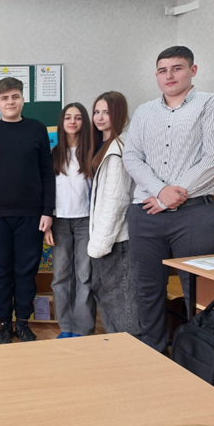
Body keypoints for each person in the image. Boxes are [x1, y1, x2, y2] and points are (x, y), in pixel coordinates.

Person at [123, 46, 214, 354]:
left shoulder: (211, 103)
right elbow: (131, 157)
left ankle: (202, 359)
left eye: (177, 68)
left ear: (192, 70)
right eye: (163, 70)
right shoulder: (144, 111)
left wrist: (175, 193)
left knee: (199, 291)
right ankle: (153, 354)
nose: (169, 75)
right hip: (147, 213)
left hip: (194, 214)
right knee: (147, 290)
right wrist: (160, 191)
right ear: (156, 75)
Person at [0, 77, 55, 344]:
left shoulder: (37, 129)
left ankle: (22, 322)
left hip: (31, 215)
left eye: (15, 97)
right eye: (4, 98)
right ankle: (3, 323)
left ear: (23, 99)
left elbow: (47, 173)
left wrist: (47, 211)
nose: (10, 102)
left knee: (26, 272)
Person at [87, 91, 139, 336]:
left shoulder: (118, 149)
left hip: (116, 240)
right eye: (96, 112)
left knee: (122, 300)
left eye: (106, 112)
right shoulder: (102, 145)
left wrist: (99, 244)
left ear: (118, 114)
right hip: (106, 237)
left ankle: (131, 349)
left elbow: (116, 201)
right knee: (106, 296)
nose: (99, 117)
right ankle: (118, 347)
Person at [44, 103, 95, 338]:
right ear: (61, 122)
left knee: (84, 276)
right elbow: (46, 191)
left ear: (84, 122)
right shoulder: (53, 154)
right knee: (60, 277)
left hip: (86, 222)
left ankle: (82, 328)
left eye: (77, 117)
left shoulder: (93, 153)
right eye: (67, 117)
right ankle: (66, 327)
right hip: (59, 222)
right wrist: (48, 225)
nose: (72, 122)